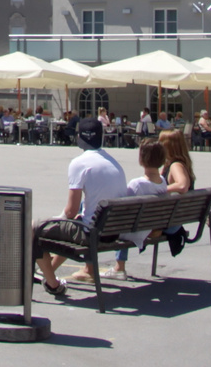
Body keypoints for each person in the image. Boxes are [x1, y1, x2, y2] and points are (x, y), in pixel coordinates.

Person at [33, 117, 129, 296]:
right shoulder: (113, 162)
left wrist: (52, 221)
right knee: (78, 219)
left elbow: (70, 211)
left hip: (92, 234)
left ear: (80, 137)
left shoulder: (79, 163)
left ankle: (51, 282)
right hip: (114, 231)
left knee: (32, 228)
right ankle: (48, 271)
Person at [110, 141, 171, 277]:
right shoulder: (162, 181)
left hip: (137, 230)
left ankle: (119, 267)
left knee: (119, 223)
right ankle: (119, 267)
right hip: (151, 225)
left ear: (142, 159)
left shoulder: (137, 184)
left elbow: (125, 211)